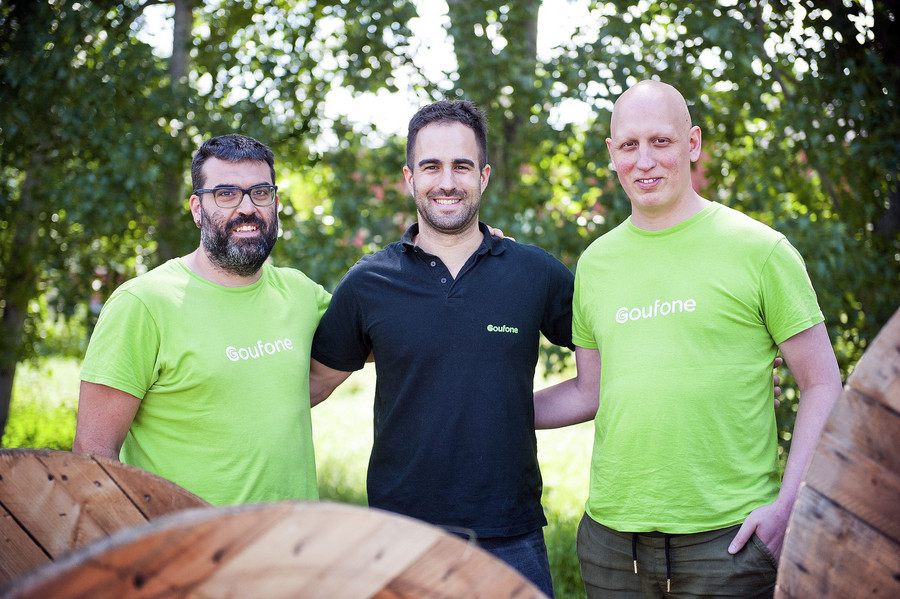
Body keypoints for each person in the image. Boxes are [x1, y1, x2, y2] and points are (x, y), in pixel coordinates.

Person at [537, 80, 842, 598]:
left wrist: (789, 506)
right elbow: (590, 391)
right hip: (613, 545)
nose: (645, 160)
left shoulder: (760, 250)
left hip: (730, 542)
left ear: (693, 144)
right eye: (629, 146)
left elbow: (822, 382)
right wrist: (487, 408)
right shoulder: (596, 263)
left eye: (662, 141)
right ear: (612, 155)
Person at [308, 100, 574, 597]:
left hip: (511, 536)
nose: (446, 181)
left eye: (461, 166)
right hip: (401, 539)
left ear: (484, 176)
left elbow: (612, 345)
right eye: (431, 166)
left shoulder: (534, 273)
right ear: (410, 178)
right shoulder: (369, 282)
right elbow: (311, 385)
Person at [73, 134, 331, 506]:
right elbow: (92, 452)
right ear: (197, 208)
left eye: (261, 192)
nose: (247, 207)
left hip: (293, 548)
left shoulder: (301, 293)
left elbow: (376, 335)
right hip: (186, 552)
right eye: (226, 194)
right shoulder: (143, 303)